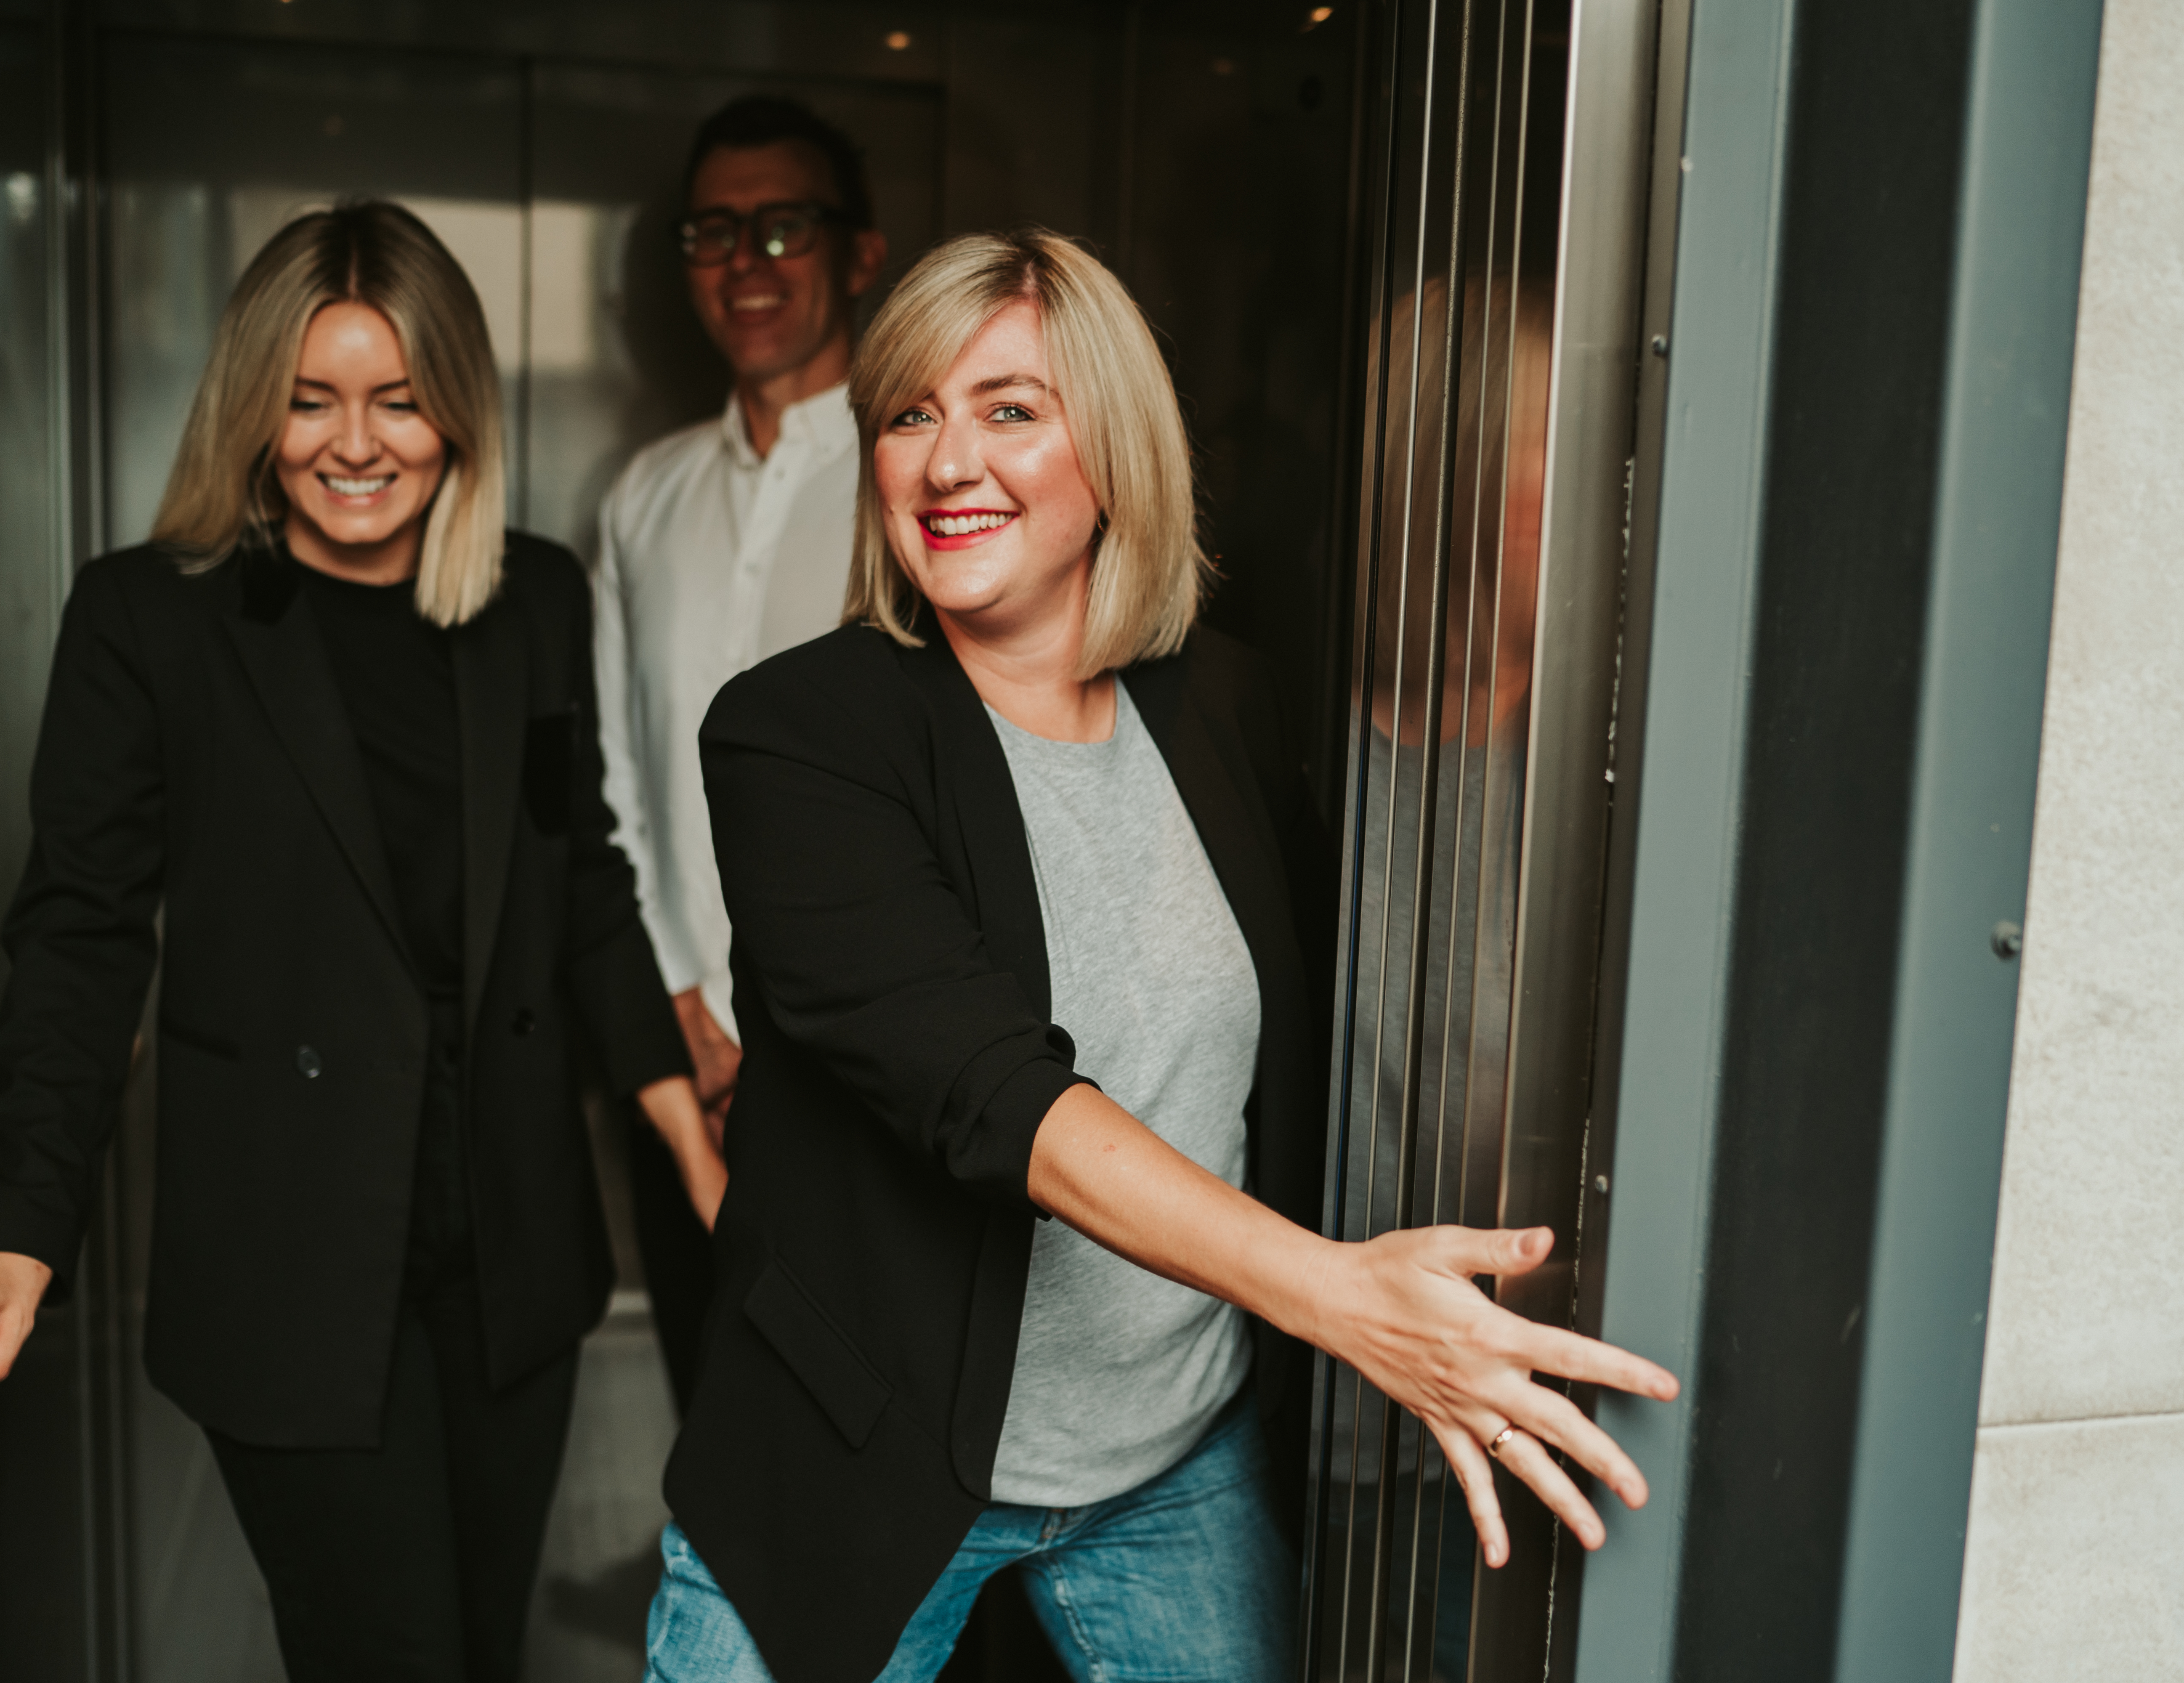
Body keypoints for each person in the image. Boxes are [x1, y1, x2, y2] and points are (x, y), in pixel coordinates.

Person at [642, 228, 1679, 1683]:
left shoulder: (1224, 710)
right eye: (911, 414)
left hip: (1171, 1467)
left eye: (1011, 408)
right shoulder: (800, 736)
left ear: (1115, 454)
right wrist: (1339, 1299)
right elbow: (988, 1096)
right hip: (859, 1454)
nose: (950, 461)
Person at [0, 200, 702, 1683]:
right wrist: (21, 1226)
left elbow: (582, 880)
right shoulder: (151, 621)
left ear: (458, 408)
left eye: (399, 398)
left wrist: (690, 1142)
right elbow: (81, 937)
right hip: (295, 1266)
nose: (356, 442)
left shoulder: (533, 603)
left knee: (475, 1648)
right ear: (254, 410)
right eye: (311, 398)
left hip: (509, 1253)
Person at [591, 95, 888, 1407]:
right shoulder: (642, 496)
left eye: (785, 227)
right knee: (714, 1431)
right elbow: (612, 785)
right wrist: (678, 1010)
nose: (747, 263)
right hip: (683, 1072)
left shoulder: (922, 476)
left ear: (861, 255)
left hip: (874, 1087)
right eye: (714, 231)